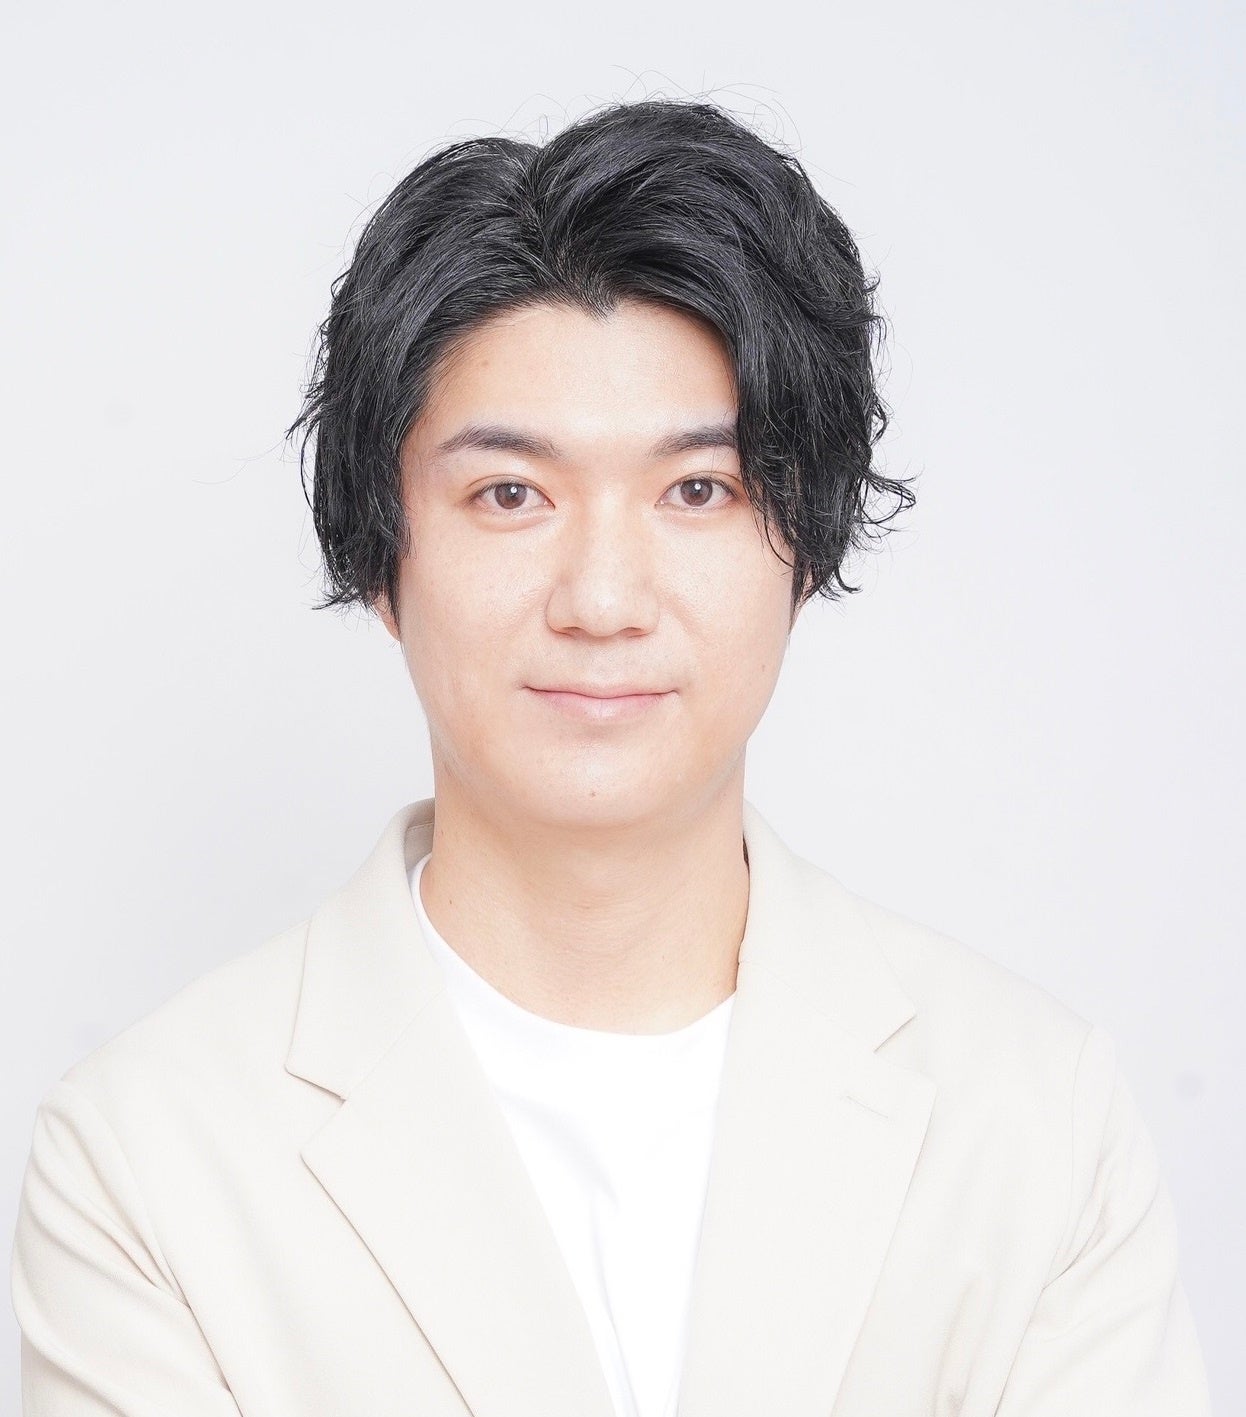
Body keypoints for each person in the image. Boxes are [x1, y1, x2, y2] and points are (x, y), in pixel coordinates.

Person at [10, 97, 1212, 1417]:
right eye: (508, 494)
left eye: (697, 490)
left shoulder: (1032, 1119)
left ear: (804, 548)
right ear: (380, 554)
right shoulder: (144, 1157)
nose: (601, 598)